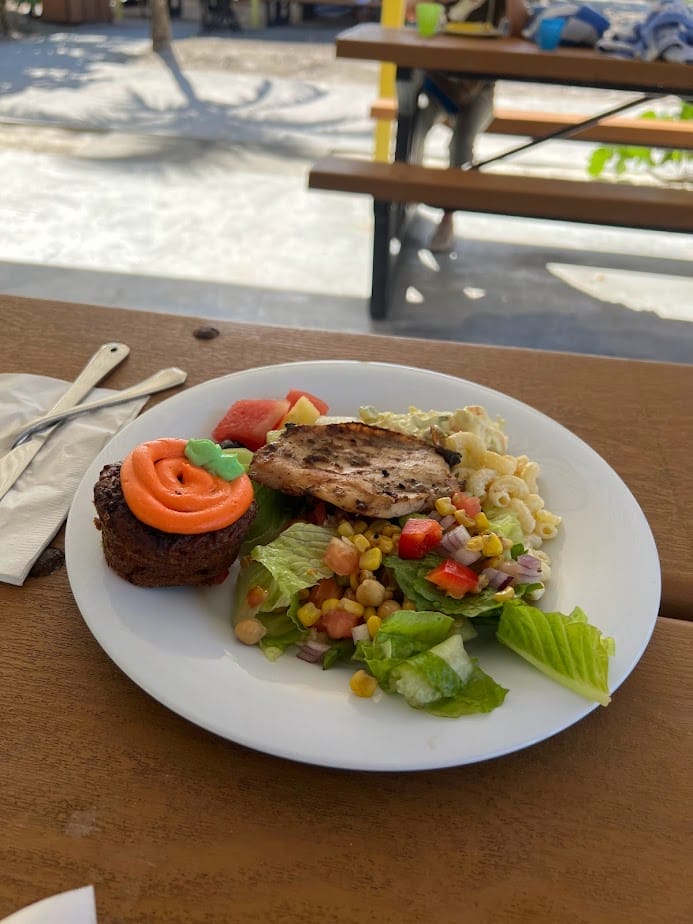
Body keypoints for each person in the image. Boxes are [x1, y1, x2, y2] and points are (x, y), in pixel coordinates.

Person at [407, 0, 530, 251]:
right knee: (413, 125)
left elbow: (520, 24)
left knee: (461, 143)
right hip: (441, 79)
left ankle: (448, 217)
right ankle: (405, 192)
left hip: (479, 85)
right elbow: (411, 12)